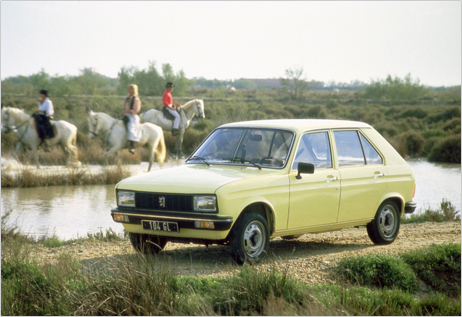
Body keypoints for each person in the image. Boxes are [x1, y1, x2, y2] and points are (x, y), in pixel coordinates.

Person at [122, 84, 142, 154]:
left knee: (131, 127)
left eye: (130, 89)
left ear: (133, 90)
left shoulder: (136, 99)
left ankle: (132, 146)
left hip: (133, 116)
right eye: (128, 89)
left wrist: (127, 111)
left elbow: (136, 110)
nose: (128, 90)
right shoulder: (127, 98)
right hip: (127, 115)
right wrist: (124, 112)